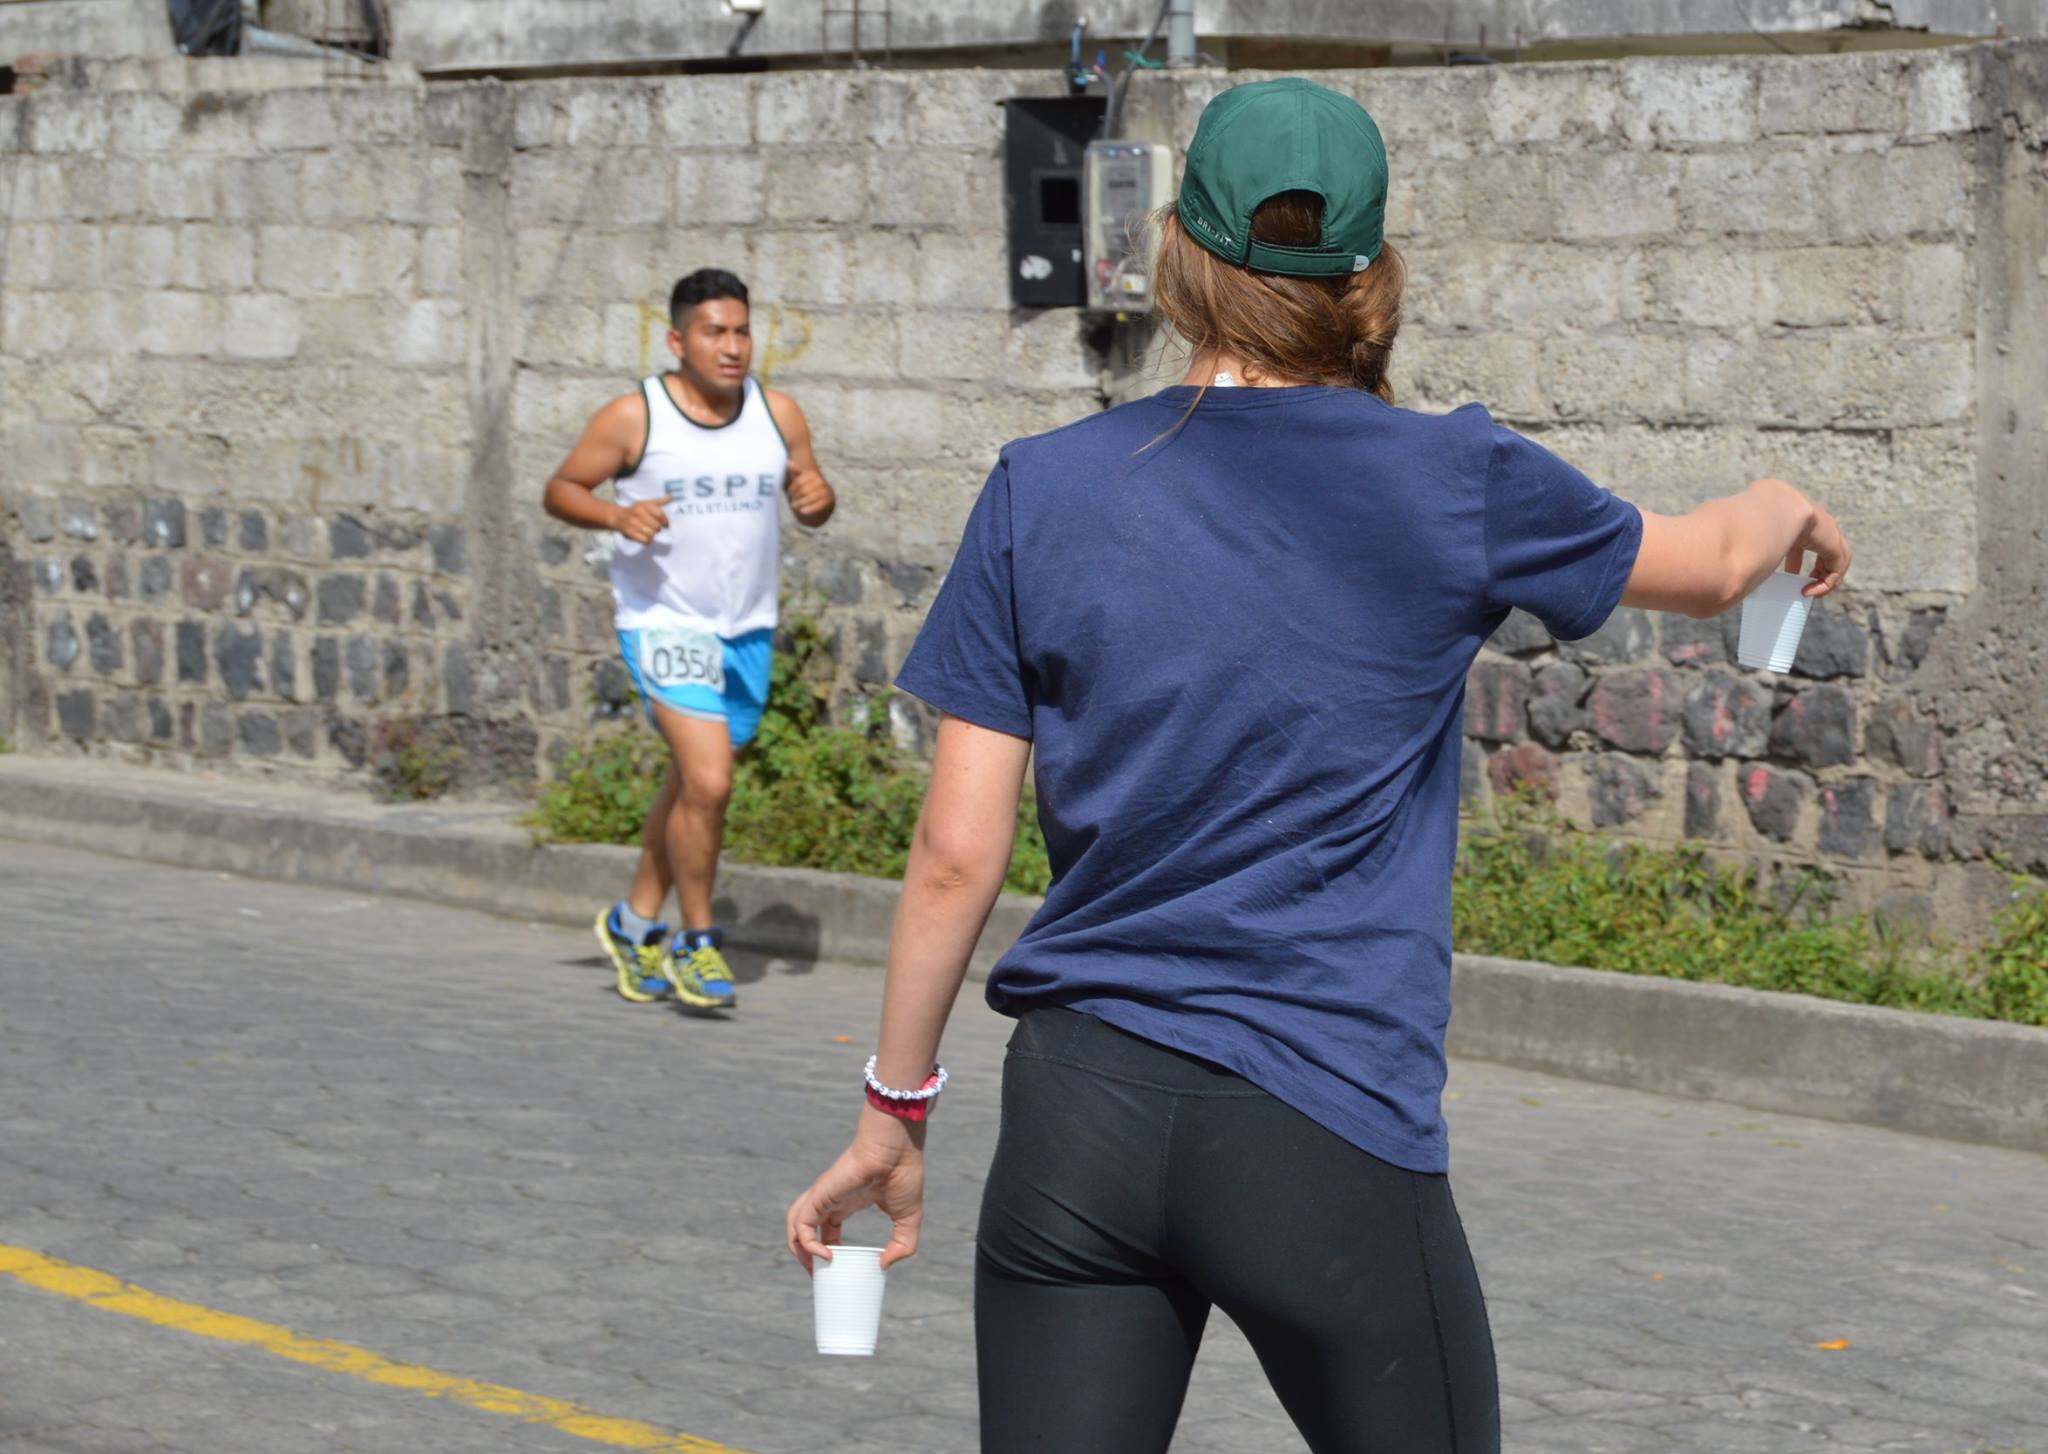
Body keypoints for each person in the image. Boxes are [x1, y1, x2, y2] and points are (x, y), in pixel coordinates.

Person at [785, 78, 1851, 1452]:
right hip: (1322, 1119)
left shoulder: (1038, 488)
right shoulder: (1454, 476)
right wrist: (1788, 503)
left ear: (1175, 254)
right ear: (1370, 272)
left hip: (1079, 1121)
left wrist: (892, 1113)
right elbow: (1709, 564)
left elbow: (954, 857)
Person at [544, 268, 836, 1009]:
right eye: (714, 332)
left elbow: (812, 495)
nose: (732, 346)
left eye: (741, 330)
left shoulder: (779, 413)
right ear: (678, 340)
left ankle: (633, 921)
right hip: (665, 621)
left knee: (689, 788)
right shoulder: (635, 416)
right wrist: (615, 517)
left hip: (747, 626)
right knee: (709, 783)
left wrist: (817, 499)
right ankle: (697, 942)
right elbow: (563, 488)